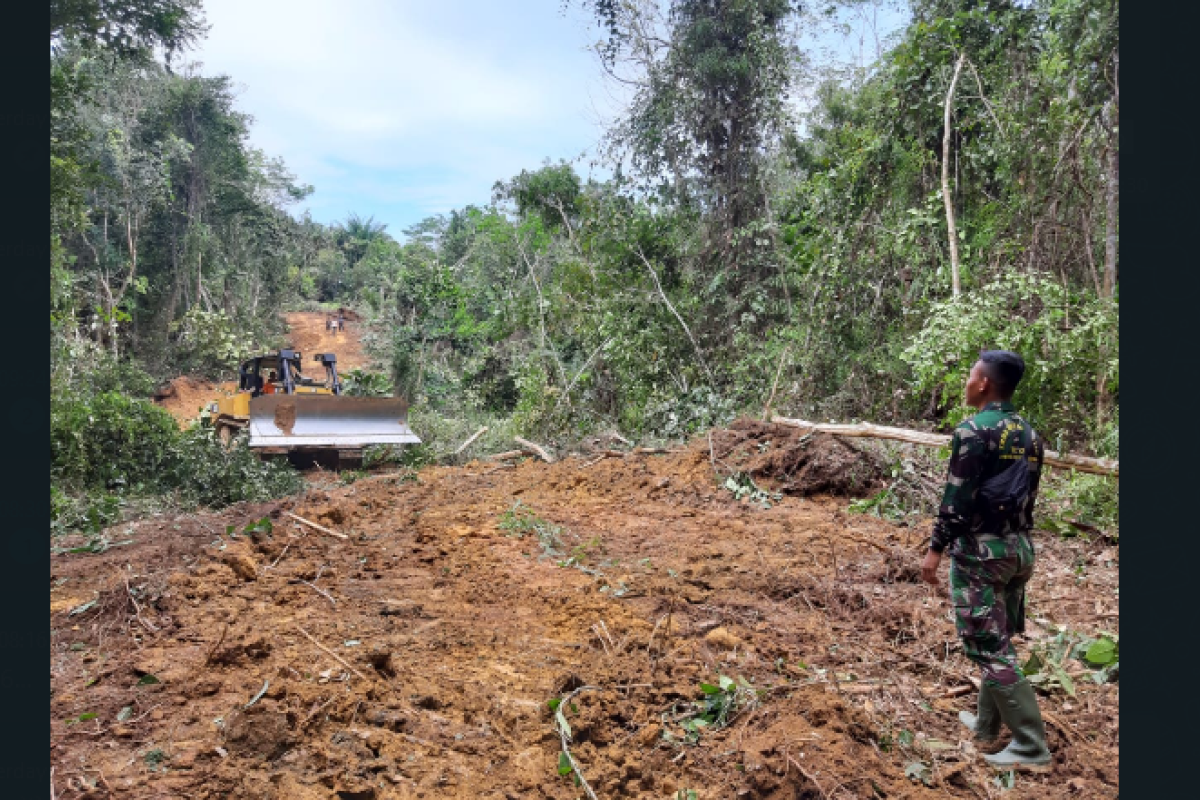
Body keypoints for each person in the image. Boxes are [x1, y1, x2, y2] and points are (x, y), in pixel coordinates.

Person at [920, 350, 1051, 772]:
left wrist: (934, 551)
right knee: (999, 639)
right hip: (1018, 551)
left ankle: (1031, 746)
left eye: (970, 375)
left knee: (987, 645)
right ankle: (985, 725)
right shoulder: (1031, 434)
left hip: (982, 553)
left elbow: (956, 501)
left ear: (983, 384)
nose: (966, 382)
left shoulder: (974, 431)